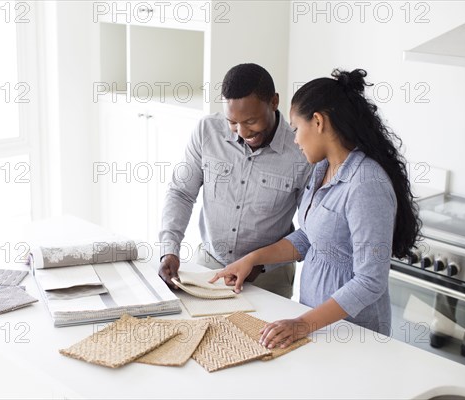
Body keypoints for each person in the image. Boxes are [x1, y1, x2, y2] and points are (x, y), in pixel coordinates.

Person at [210, 68, 420, 347]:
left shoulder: (366, 184)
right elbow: (309, 237)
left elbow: (371, 280)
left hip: (356, 335)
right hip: (315, 323)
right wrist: (253, 259)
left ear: (318, 122)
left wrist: (301, 324)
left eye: (297, 129)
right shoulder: (322, 168)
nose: (294, 140)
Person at [158, 63, 313, 298]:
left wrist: (260, 264)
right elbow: (181, 192)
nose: (241, 131)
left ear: (274, 102)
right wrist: (169, 250)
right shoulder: (207, 131)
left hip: (267, 279)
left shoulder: (301, 150)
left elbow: (311, 229)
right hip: (208, 269)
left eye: (251, 121)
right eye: (233, 122)